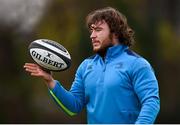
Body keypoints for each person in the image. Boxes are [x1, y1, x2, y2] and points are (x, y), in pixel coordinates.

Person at [24, 7, 160, 124]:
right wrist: (50, 81)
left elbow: (151, 102)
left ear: (116, 32)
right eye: (92, 30)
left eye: (99, 30)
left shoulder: (137, 64)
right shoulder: (86, 66)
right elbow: (73, 107)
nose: (92, 36)